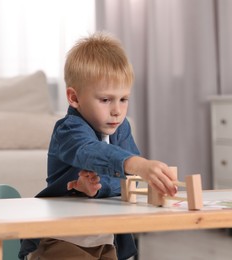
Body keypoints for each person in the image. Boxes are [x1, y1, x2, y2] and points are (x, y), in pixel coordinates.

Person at [19, 32, 177, 260]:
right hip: (60, 238)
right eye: (105, 100)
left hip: (102, 239)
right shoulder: (68, 130)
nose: (117, 110)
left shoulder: (120, 129)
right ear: (74, 98)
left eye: (123, 99)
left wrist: (100, 186)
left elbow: (126, 182)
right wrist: (137, 164)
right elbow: (91, 152)